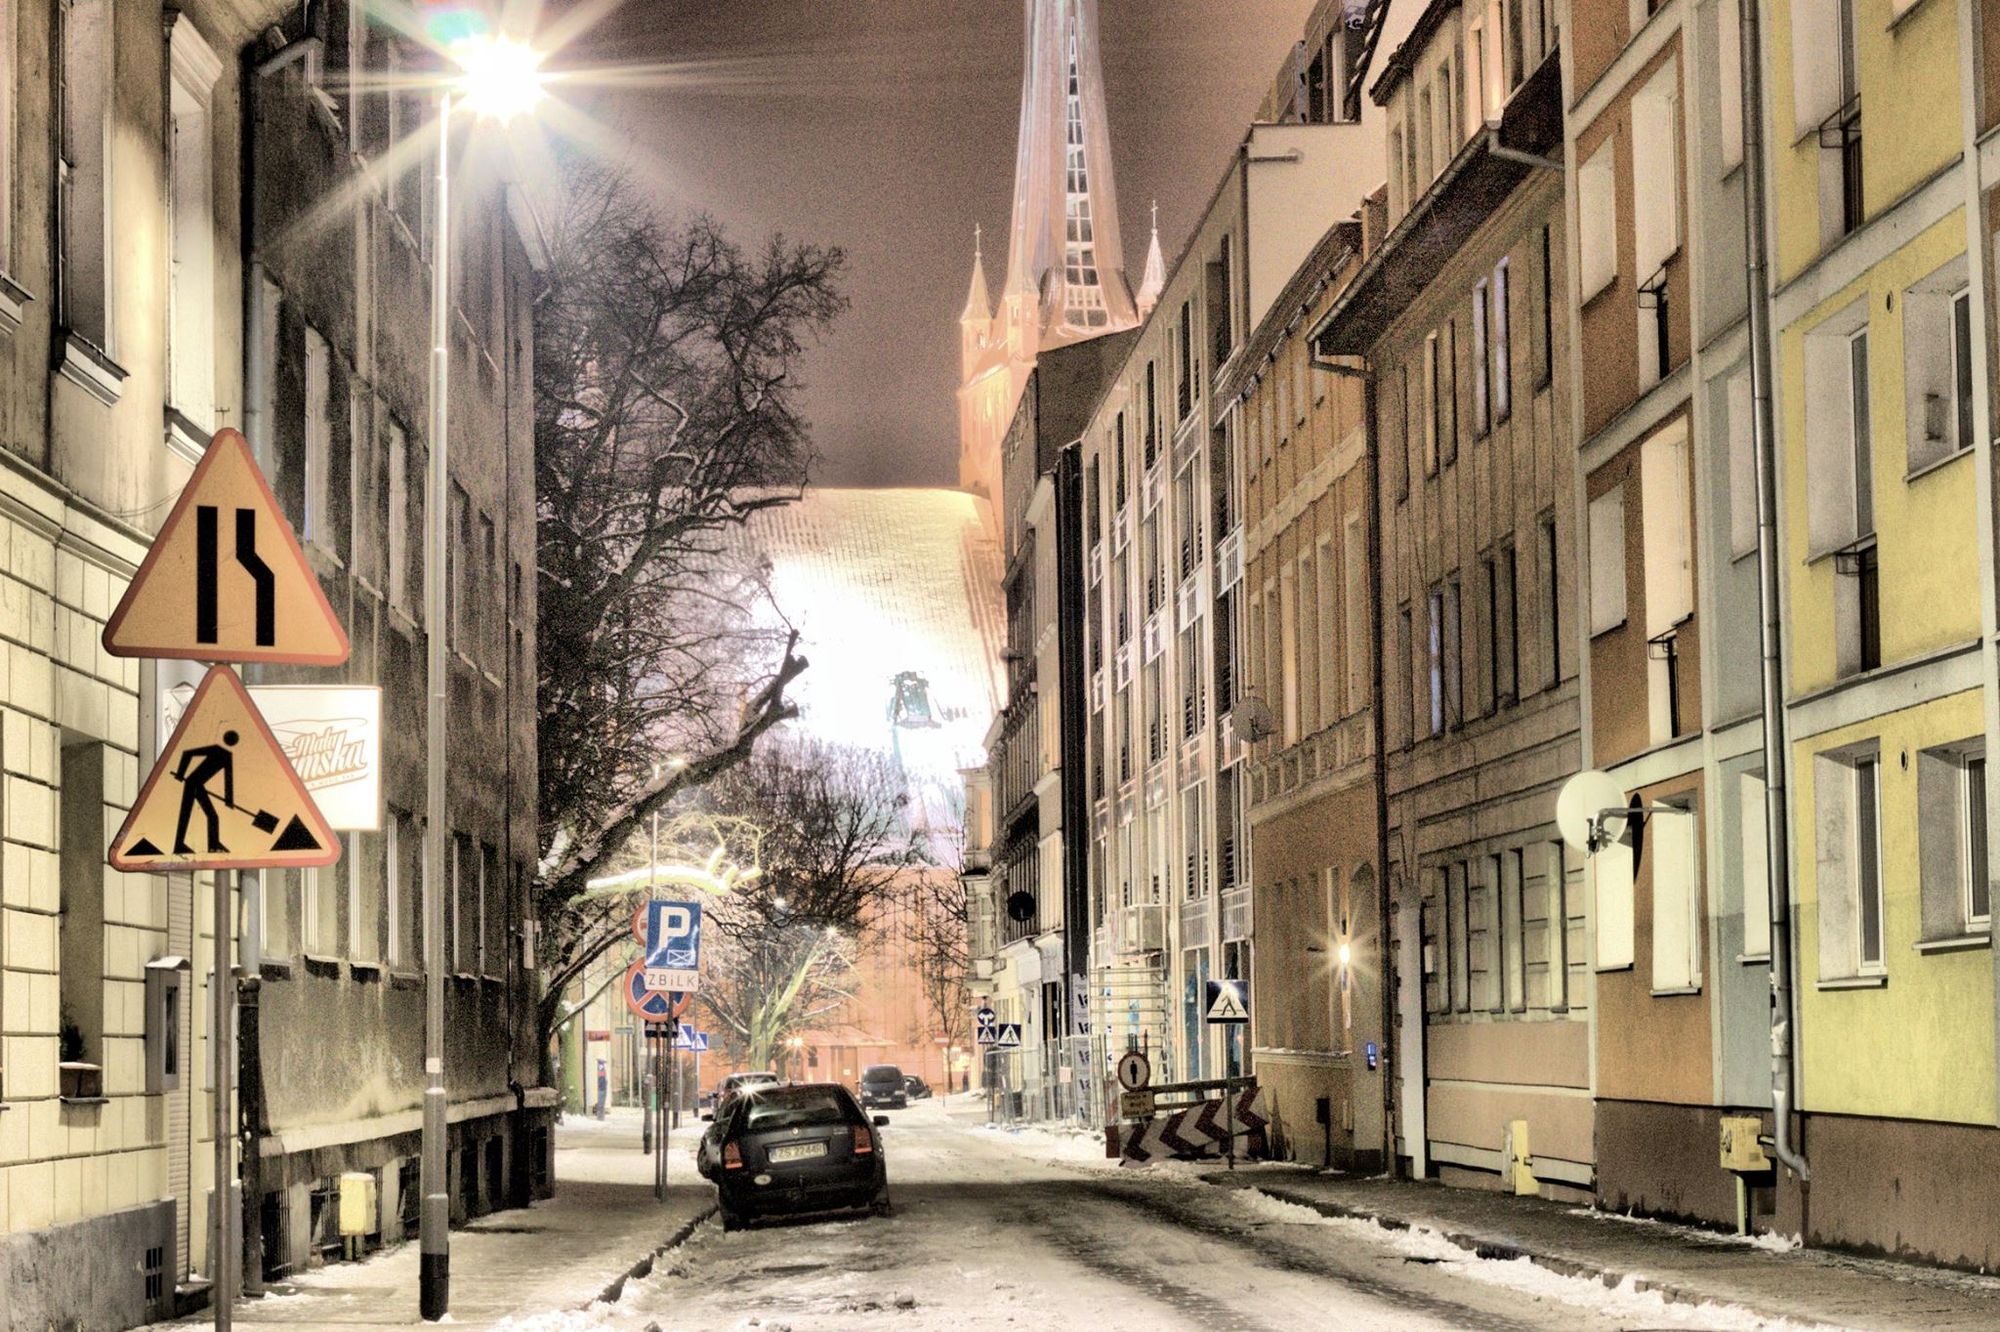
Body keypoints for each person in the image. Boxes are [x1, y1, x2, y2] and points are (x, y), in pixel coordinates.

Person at [174, 730, 239, 854]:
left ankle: (213, 844)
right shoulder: (219, 751)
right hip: (192, 783)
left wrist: (229, 800)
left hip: (197, 785)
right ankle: (180, 845)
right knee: (186, 814)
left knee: (211, 816)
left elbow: (228, 779)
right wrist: (180, 773)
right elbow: (188, 753)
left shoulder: (224, 754)